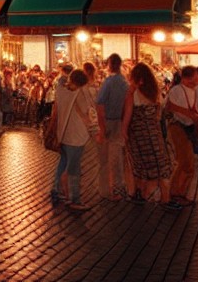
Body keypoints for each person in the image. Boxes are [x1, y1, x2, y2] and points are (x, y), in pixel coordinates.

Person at [122, 61, 172, 205]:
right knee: (161, 165)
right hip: (154, 134)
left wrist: (124, 131)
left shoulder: (133, 93)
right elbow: (158, 115)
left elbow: (128, 114)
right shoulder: (155, 93)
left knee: (142, 166)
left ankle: (141, 194)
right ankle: (165, 198)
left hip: (139, 136)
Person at [48, 68, 92, 212]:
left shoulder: (62, 90)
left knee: (63, 162)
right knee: (73, 169)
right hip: (77, 136)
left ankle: (57, 190)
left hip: (64, 134)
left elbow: (61, 81)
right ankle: (74, 199)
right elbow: (87, 113)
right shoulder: (79, 94)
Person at [165, 65, 198, 209]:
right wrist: (192, 115)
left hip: (183, 127)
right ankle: (174, 193)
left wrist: (194, 115)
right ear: (189, 78)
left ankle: (179, 192)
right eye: (196, 76)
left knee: (186, 162)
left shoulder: (192, 91)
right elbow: (173, 109)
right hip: (178, 127)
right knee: (184, 162)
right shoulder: (177, 90)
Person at [95, 53, 128, 200]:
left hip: (108, 121)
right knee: (117, 156)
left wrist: (101, 128)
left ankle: (107, 190)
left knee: (105, 159)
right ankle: (119, 186)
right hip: (120, 121)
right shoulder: (124, 82)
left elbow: (100, 103)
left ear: (109, 65)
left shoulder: (108, 82)